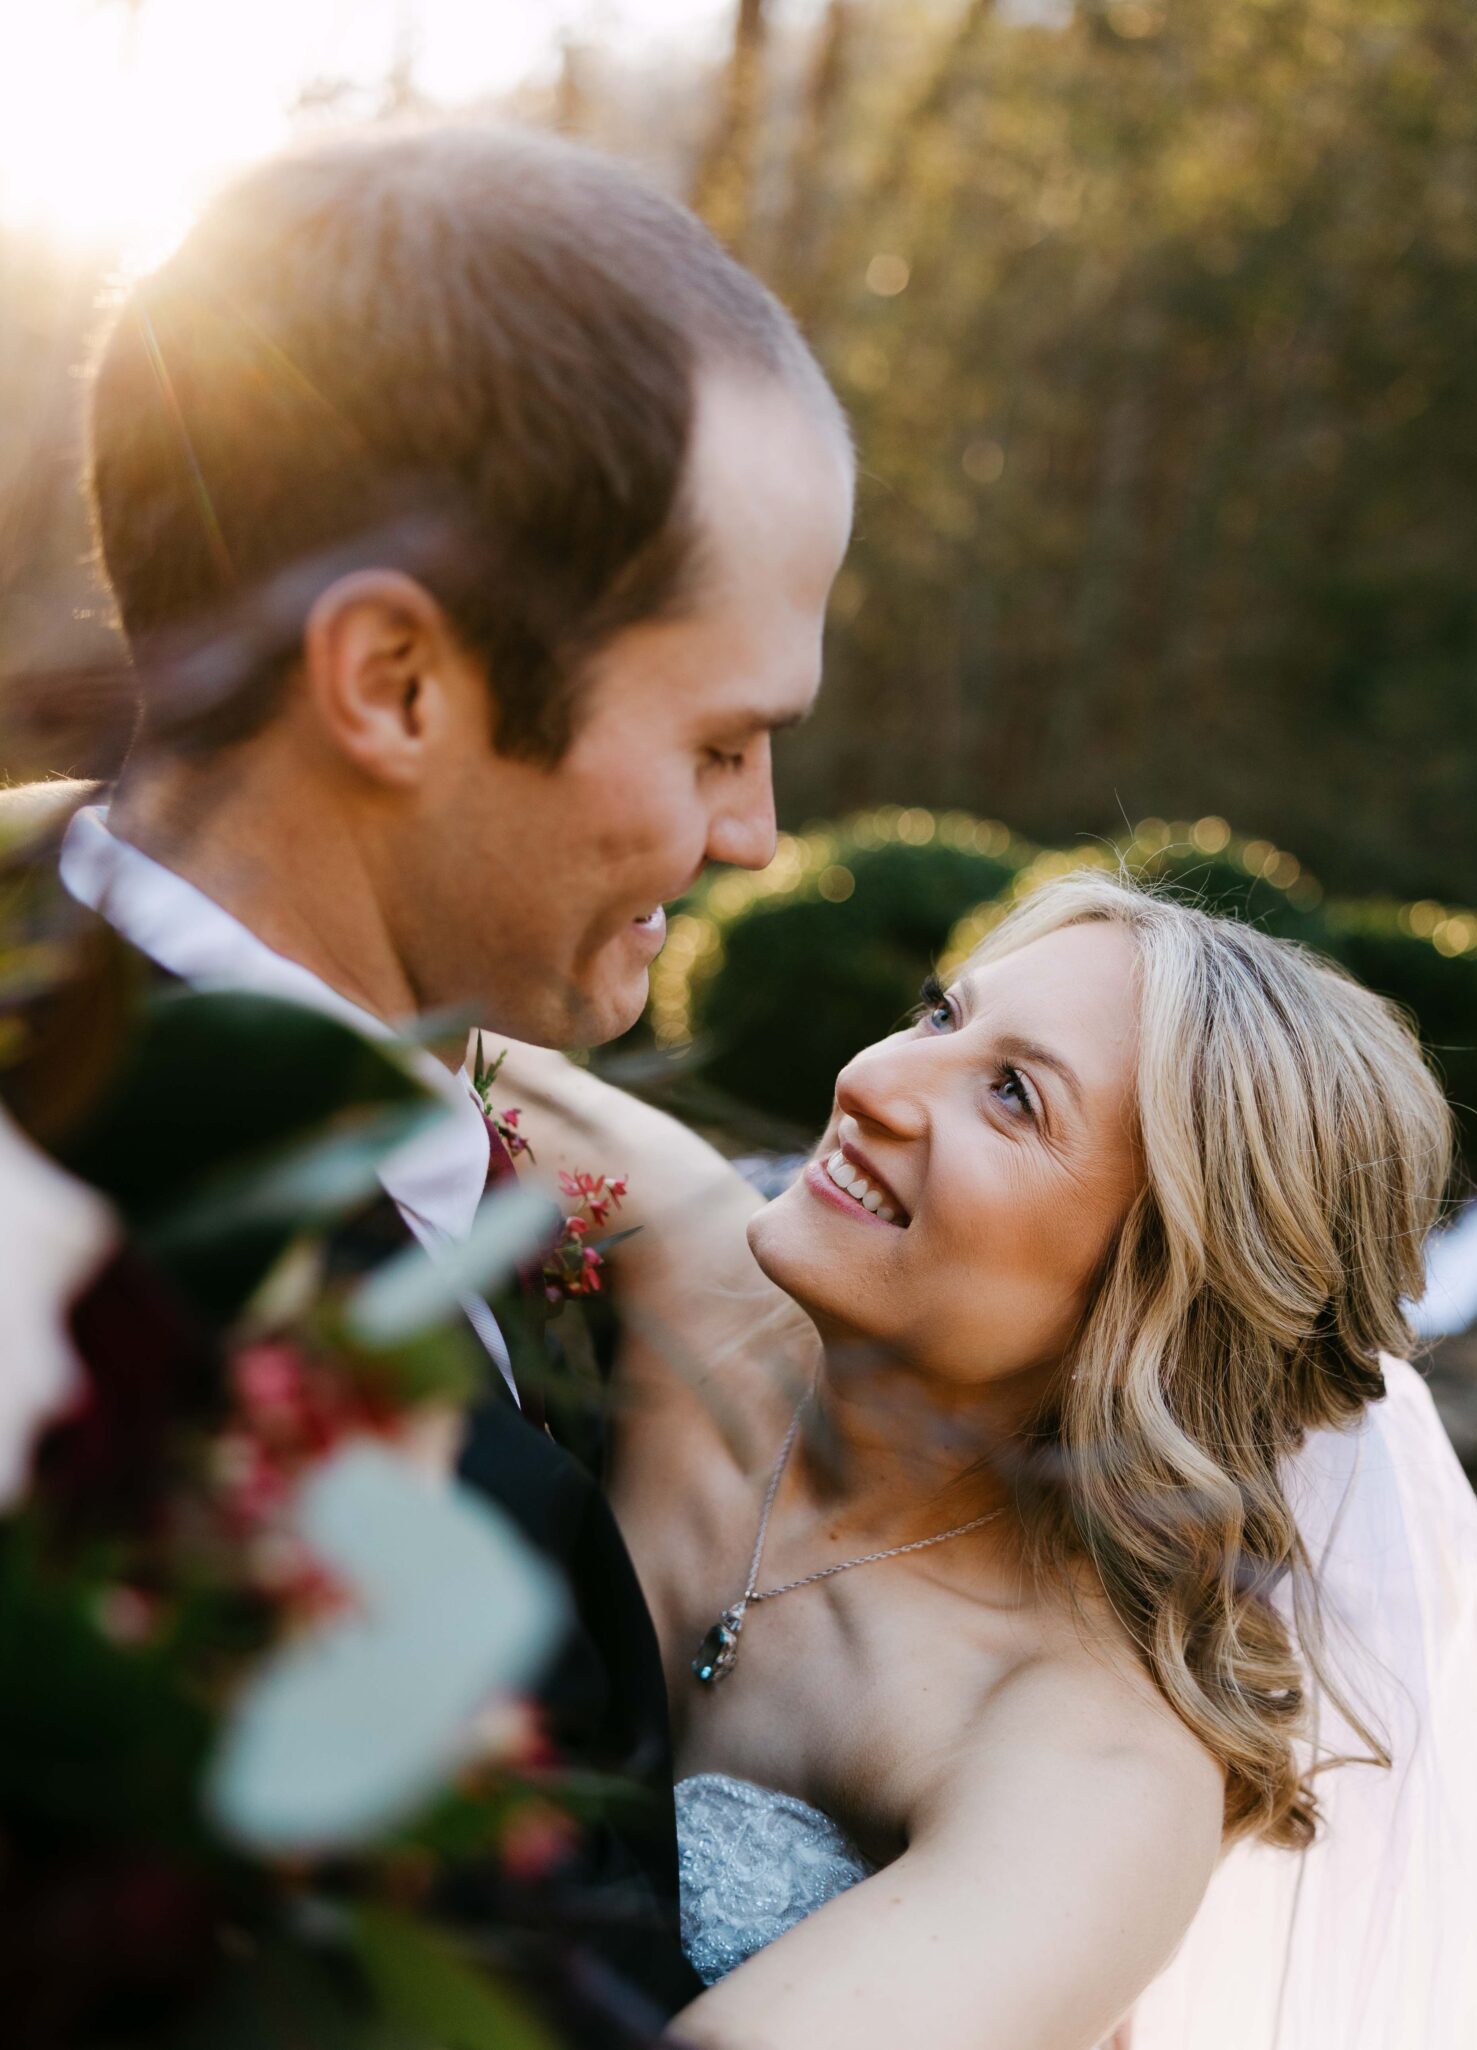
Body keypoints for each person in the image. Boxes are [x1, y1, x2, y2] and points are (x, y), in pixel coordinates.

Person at [0, 120, 853, 2035]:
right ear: (392, 685)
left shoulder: (478, 1152)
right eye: (722, 741)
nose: (759, 839)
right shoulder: (114, 1377)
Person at [487, 866, 1477, 2050]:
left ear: (1157, 1289)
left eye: (1014, 1096)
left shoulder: (1094, 1775)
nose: (870, 1080)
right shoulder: (694, 1268)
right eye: (941, 1013)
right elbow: (339, 1011)